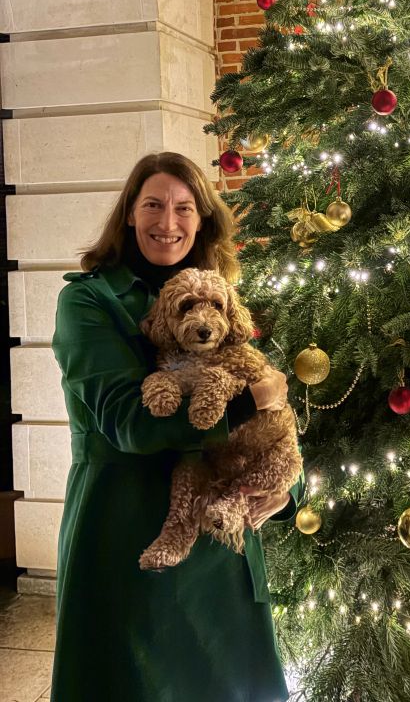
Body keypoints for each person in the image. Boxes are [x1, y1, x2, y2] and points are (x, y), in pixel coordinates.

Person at [50, 151, 304, 702]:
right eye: (153, 205)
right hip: (125, 526)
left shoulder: (220, 296)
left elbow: (272, 407)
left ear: (203, 220)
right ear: (128, 215)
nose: (168, 223)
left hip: (220, 538)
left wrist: (285, 490)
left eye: (184, 208)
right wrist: (243, 404)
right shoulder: (87, 301)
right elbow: (128, 424)